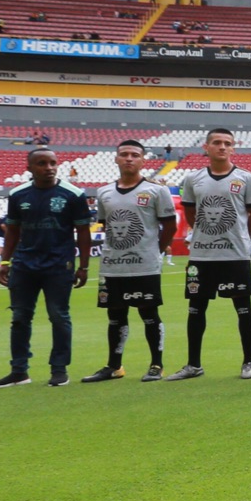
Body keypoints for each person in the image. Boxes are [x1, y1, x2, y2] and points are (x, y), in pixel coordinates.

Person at [0, 147, 92, 388]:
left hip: (59, 265)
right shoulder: (18, 195)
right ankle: (19, 370)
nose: (49, 168)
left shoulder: (73, 194)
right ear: (30, 168)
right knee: (20, 317)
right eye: (42, 163)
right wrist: (5, 262)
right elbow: (13, 230)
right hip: (24, 265)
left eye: (53, 163)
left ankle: (59, 369)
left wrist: (84, 267)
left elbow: (83, 233)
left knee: (59, 316)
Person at [167, 127, 251, 380]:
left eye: (227, 143)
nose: (222, 147)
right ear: (206, 147)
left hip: (235, 254)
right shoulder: (193, 179)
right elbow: (190, 214)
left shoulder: (246, 178)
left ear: (233, 148)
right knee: (196, 308)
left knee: (243, 307)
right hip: (202, 255)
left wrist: (241, 235)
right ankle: (193, 364)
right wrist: (203, 232)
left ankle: (248, 362)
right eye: (217, 143)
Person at [85, 139, 173, 382]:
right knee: (115, 315)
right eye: (124, 154)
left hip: (145, 264)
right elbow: (106, 225)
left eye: (135, 154)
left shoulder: (157, 191)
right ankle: (114, 366)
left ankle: (156, 364)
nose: (129, 158)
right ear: (116, 158)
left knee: (149, 313)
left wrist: (157, 250)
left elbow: (170, 225)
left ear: (143, 160)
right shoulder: (104, 192)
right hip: (112, 266)